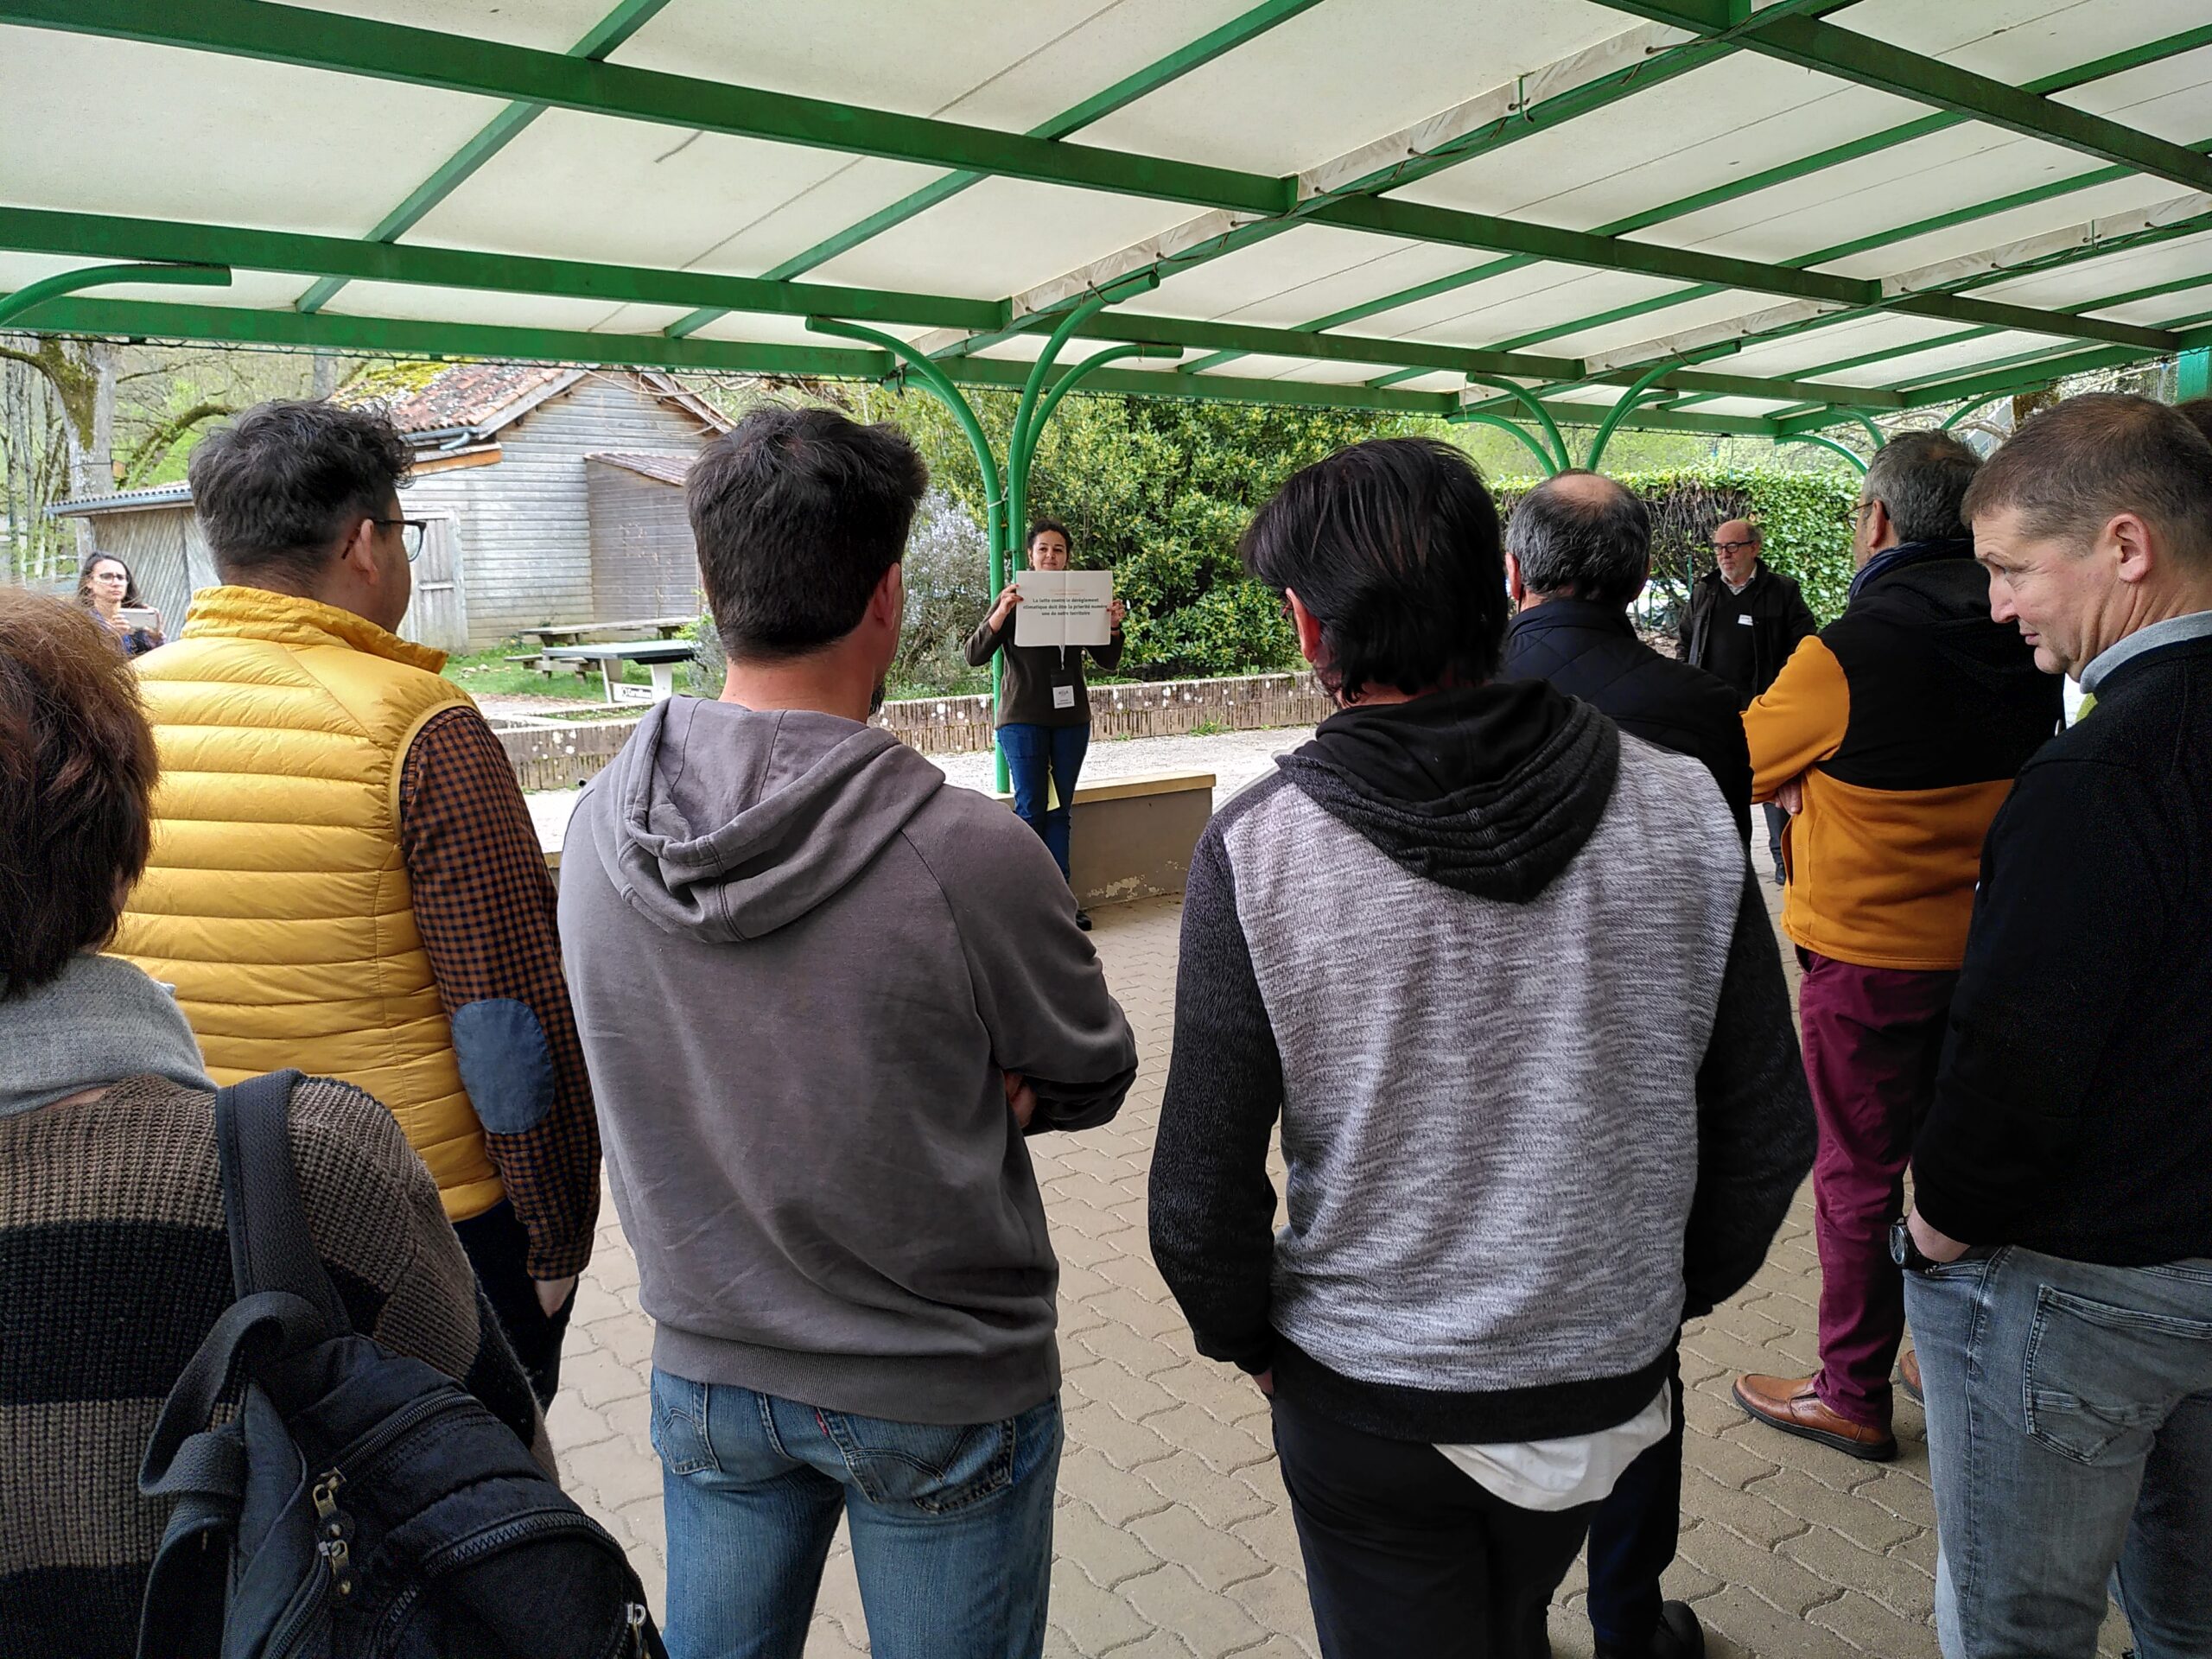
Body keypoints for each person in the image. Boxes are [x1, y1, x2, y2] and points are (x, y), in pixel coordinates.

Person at [1149, 437, 1813, 1659]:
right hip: (1605, 1390)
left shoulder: (1259, 847)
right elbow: (1770, 1125)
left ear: (1308, 627)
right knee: (1508, 1621)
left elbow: (1198, 1199)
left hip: (1370, 1406)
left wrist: (1246, 1340)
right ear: (1494, 588)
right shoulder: (1679, 803)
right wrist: (1653, 1299)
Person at [560, 406, 1137, 1659]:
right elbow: (1093, 1069)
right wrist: (990, 1084)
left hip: (706, 1368)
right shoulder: (969, 850)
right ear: (888, 595)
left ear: (709, 583)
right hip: (940, 1383)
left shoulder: (598, 830)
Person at [0, 588, 543, 1657]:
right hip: (320, 1209)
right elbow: (505, 1492)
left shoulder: (173, 682)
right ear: (122, 853)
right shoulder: (320, 1159)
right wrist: (555, 1224)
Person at [109, 399, 598, 1408]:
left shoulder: (119, 711)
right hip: (413, 1218)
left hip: (194, 1198)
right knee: (460, 1478)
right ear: (364, 543)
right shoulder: (419, 726)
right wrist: (555, 1233)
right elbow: (506, 1013)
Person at [1898, 393, 2212, 1656]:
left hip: (2081, 1293)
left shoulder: (2101, 774)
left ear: (2126, 546)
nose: (1997, 606)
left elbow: (2015, 1062)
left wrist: (1932, 1229)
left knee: (2016, 1628)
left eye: (2013, 568)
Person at [1730, 430, 2060, 1461]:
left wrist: (1804, 775)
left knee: (1859, 1175)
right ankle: (1946, 1353)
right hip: (1991, 950)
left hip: (1868, 965)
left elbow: (1731, 760)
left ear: (1877, 520)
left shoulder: (1843, 652)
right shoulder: (2018, 627)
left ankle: (1850, 1390)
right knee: (1965, 1160)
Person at [1497, 469, 1751, 1659]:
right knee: (1643, 1359)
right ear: (1643, 576)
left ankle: (1507, 1617)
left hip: (1490, 1083)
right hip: (1651, 1081)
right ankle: (1627, 1622)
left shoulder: (1467, 691)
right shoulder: (1697, 707)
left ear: (1513, 574)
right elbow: (1719, 907)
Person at [1503, 470, 1751, 835]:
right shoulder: (1708, 706)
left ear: (1514, 574)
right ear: (1641, 579)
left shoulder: (1447, 691)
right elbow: (1730, 854)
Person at [963, 518, 1128, 930]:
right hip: (1023, 720)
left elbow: (1108, 661)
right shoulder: (1013, 598)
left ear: (1067, 557)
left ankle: (1061, 906)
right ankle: (1026, 906)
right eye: (1043, 549)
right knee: (1031, 809)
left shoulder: (1082, 598)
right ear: (1030, 556)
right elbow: (974, 655)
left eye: (1058, 549)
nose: (1050, 556)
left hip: (1071, 721)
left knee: (1060, 812)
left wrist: (1112, 626)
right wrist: (1000, 613)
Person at [1677, 518, 1818, 882]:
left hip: (1766, 709)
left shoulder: (1782, 592)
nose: (1723, 555)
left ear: (1754, 548)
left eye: (1732, 546)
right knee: (1717, 789)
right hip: (1714, 712)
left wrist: (1784, 693)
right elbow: (1686, 641)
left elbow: (1804, 647)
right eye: (1718, 547)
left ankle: (1785, 866)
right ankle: (1727, 868)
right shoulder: (1705, 591)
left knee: (1775, 788)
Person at [76, 552, 165, 657]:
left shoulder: (138, 620)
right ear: (89, 582)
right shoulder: (79, 623)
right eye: (106, 577)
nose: (116, 583)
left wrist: (156, 638)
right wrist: (111, 639)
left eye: (121, 577)